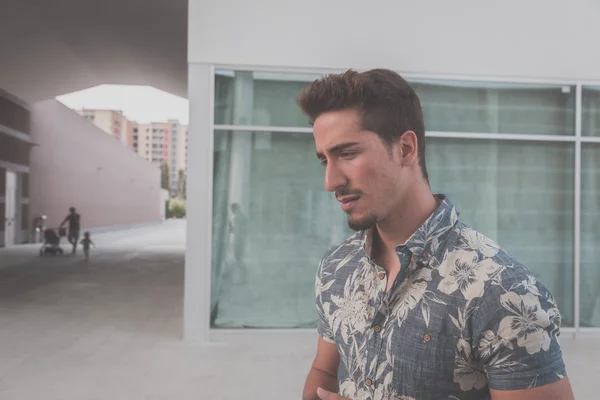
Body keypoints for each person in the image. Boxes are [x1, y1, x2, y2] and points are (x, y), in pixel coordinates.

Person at [297, 69, 574, 400]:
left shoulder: (504, 291)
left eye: (347, 154)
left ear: (405, 148)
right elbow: (326, 371)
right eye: (323, 160)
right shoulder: (337, 267)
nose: (330, 181)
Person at [228, 203, 248, 283]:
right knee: (239, 260)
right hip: (241, 240)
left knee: (238, 260)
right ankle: (243, 278)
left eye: (232, 210)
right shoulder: (244, 217)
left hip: (238, 241)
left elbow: (235, 230)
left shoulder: (236, 218)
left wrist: (230, 227)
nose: (232, 211)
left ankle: (242, 278)